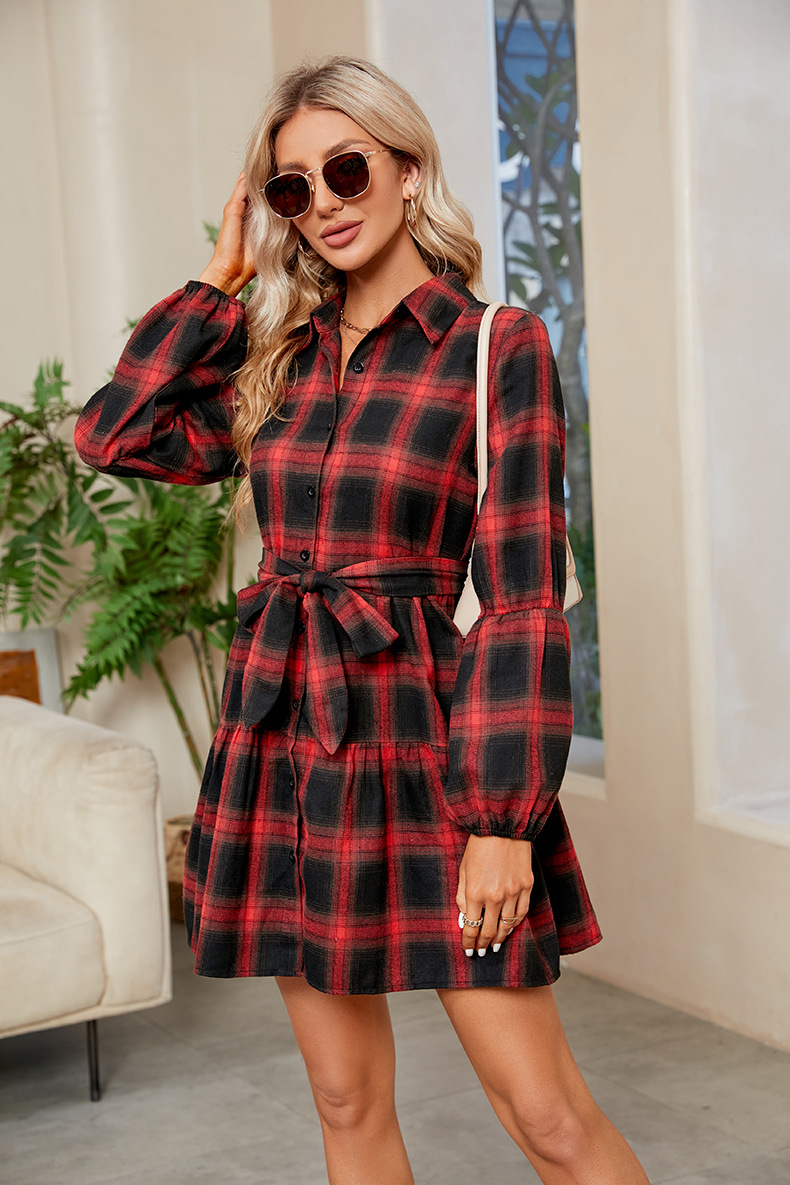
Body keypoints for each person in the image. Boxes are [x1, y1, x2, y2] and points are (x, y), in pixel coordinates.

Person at [74, 54, 649, 1185]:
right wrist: (218, 281)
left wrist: (502, 822)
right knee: (344, 1100)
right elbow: (114, 434)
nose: (325, 203)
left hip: (433, 751)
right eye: (293, 188)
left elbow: (522, 592)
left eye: (347, 169)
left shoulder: (495, 347)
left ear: (407, 169)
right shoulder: (279, 359)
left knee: (545, 1116)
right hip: (290, 743)